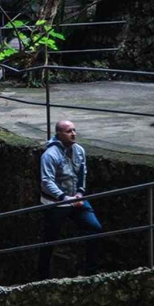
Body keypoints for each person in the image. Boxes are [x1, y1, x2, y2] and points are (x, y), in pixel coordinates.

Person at [38, 119, 101, 278]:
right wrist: (64, 198)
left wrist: (80, 193)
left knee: (95, 228)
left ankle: (91, 272)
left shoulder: (79, 150)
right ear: (58, 134)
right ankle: (42, 276)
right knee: (49, 240)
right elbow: (46, 181)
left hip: (76, 199)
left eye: (74, 130)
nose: (73, 134)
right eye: (69, 131)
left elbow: (82, 173)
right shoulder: (50, 155)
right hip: (56, 203)